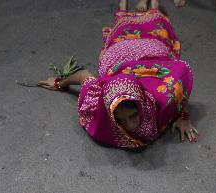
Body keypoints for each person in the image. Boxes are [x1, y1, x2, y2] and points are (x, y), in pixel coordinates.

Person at [38, 0, 199, 148]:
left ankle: (153, 4)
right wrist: (59, 83)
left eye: (133, 115)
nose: (130, 125)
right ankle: (123, 6)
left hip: (136, 56)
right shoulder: (104, 107)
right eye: (121, 120)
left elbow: (182, 73)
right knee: (123, 27)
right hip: (121, 56)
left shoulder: (162, 97)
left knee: (156, 23)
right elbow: (83, 75)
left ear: (142, 104)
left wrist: (183, 117)